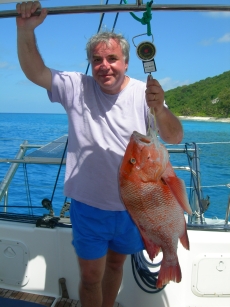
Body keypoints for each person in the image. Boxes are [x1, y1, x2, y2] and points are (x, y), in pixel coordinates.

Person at [16, 2, 183, 306]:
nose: (105, 65)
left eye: (112, 58)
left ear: (126, 62)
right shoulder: (76, 87)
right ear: (90, 64)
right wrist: (25, 30)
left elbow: (174, 136)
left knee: (117, 265)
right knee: (91, 276)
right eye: (97, 60)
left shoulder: (143, 94)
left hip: (134, 209)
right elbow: (35, 71)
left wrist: (158, 108)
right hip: (89, 206)